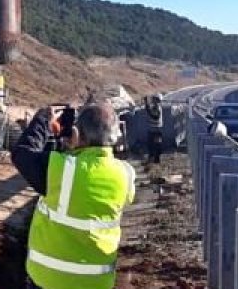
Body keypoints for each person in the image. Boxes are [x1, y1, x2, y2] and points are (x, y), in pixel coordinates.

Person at [12, 103, 136, 289]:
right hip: (97, 282)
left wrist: (42, 120)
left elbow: (22, 154)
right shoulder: (126, 173)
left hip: (50, 280)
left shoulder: (62, 169)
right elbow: (86, 185)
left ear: (76, 133)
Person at [145, 94, 165, 165]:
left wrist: (147, 107)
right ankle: (152, 159)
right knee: (151, 145)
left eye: (154, 99)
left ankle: (156, 160)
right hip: (152, 129)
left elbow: (155, 116)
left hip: (156, 130)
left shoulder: (158, 108)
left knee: (157, 146)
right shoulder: (154, 107)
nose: (153, 101)